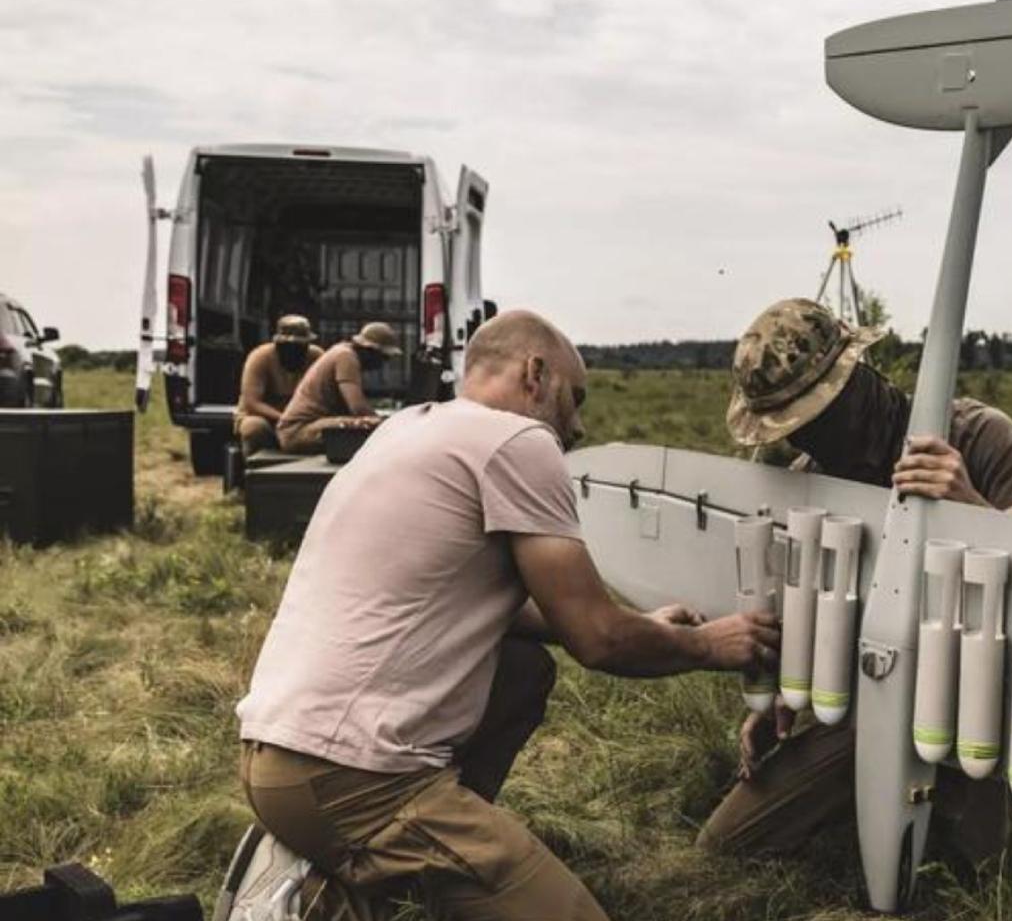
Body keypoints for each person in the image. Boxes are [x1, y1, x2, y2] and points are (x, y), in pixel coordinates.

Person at [226, 310, 781, 921]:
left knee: (521, 669)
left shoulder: (408, 428)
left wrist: (647, 624)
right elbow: (597, 640)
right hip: (355, 781)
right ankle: (328, 889)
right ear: (535, 374)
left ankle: (348, 878)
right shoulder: (517, 442)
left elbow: (501, 608)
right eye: (575, 397)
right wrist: (710, 646)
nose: (578, 423)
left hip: (274, 757)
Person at [698, 297, 1012, 867]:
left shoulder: (976, 434)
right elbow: (815, 614)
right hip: (869, 706)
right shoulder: (808, 481)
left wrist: (967, 504)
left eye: (816, 418)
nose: (807, 439)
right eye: (794, 429)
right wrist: (785, 696)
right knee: (726, 846)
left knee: (978, 876)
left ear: (855, 377)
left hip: (976, 699)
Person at [275, 321, 401, 454]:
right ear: (370, 350)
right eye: (384, 357)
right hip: (298, 431)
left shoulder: (343, 352)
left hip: (308, 427)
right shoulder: (346, 356)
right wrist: (385, 425)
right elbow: (358, 408)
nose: (383, 364)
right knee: (369, 425)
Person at [234, 315, 324, 456]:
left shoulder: (317, 357)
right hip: (266, 417)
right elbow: (252, 402)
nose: (294, 351)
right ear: (277, 343)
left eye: (300, 346)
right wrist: (284, 418)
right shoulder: (260, 357)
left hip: (302, 419)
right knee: (253, 427)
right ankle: (253, 471)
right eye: (288, 347)